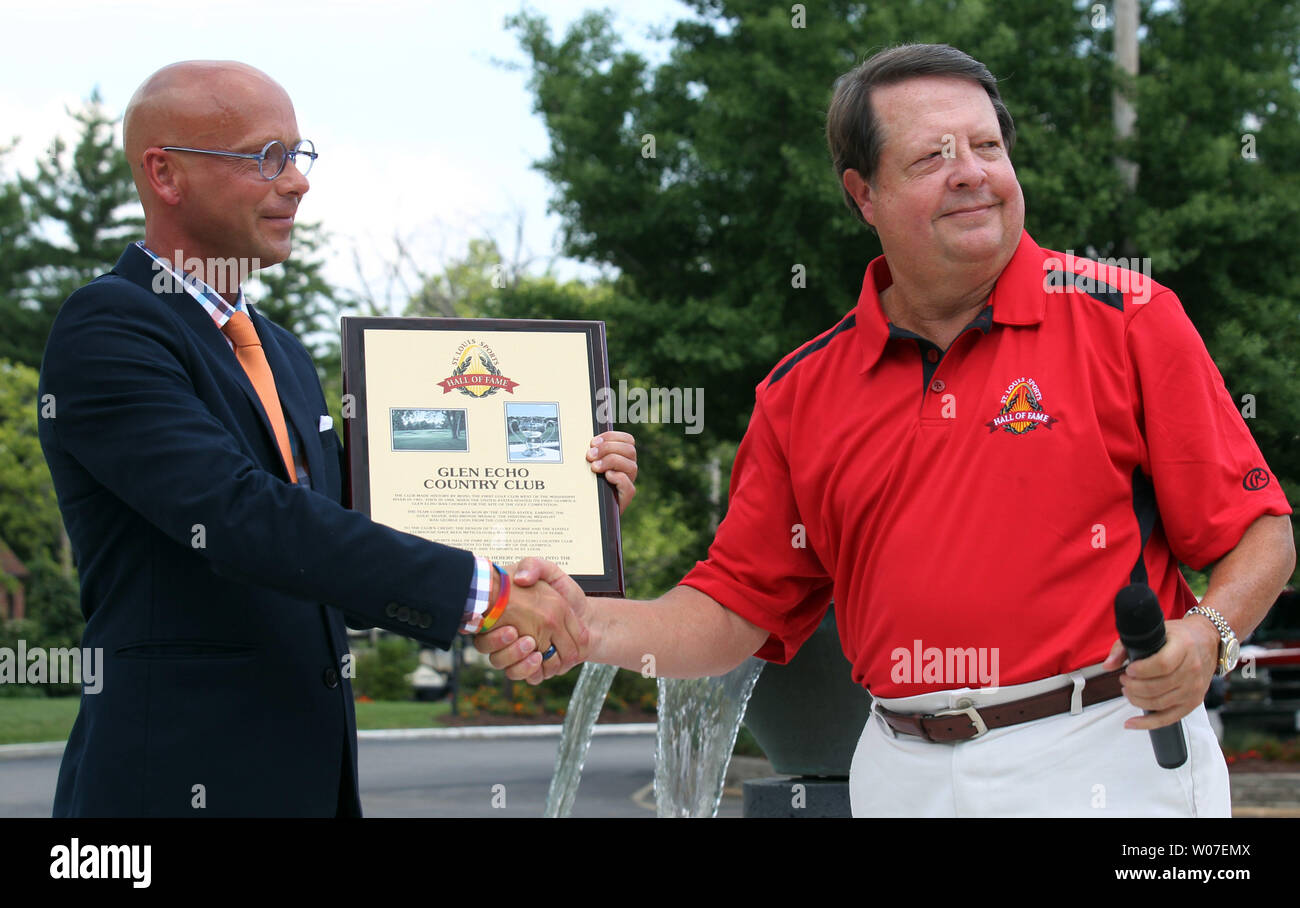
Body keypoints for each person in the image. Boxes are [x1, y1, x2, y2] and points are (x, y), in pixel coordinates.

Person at [481, 44, 1295, 817]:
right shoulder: (800, 392)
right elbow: (730, 611)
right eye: (933, 157)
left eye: (986, 147)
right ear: (862, 194)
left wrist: (1211, 634)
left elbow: (1261, 532)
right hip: (897, 770)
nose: (972, 174)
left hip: (1110, 754)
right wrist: (580, 625)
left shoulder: (1131, 319)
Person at [37, 60, 633, 817]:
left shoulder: (281, 351)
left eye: (298, 154)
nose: (297, 182)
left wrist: (572, 503)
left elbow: (368, 523)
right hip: (171, 786)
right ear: (165, 173)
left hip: (311, 786)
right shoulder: (109, 327)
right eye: (266, 157)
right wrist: (488, 598)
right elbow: (242, 516)